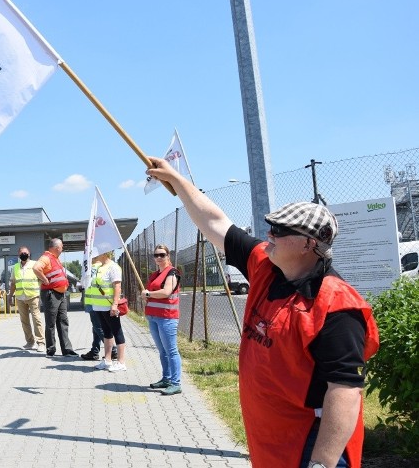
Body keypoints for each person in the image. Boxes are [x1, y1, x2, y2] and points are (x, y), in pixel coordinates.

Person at [146, 156, 379, 468]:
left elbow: (345, 391)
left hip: (309, 444)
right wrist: (176, 179)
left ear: (308, 244)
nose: (269, 235)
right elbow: (215, 222)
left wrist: (321, 463)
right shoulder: (265, 266)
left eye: (279, 230)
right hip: (271, 439)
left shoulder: (336, 306)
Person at [142, 244, 183, 395]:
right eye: (156, 255)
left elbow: (166, 292)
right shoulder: (155, 274)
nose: (159, 257)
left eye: (162, 255)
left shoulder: (172, 273)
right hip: (153, 317)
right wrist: (146, 294)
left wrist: (147, 294)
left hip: (167, 317)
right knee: (162, 351)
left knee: (171, 351)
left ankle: (176, 383)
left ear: (168, 256)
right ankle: (166, 378)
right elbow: (151, 292)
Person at [83, 251, 127, 371]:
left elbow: (117, 287)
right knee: (107, 333)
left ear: (104, 254)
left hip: (109, 306)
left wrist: (115, 304)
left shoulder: (113, 267)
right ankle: (107, 360)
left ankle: (121, 362)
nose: (94, 255)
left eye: (97, 252)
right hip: (99, 307)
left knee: (117, 332)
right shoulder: (99, 267)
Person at [33, 238, 77, 357]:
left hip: (60, 294)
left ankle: (67, 350)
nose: (62, 249)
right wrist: (44, 279)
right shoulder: (46, 257)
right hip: (51, 293)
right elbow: (36, 268)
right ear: (57, 247)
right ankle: (51, 350)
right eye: (61, 246)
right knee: (51, 322)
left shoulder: (56, 259)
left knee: (63, 321)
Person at [9, 246, 44, 352]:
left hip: (33, 296)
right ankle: (30, 342)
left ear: (29, 254)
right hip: (20, 297)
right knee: (24, 321)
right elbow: (13, 283)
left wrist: (40, 291)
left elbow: (41, 278)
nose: (23, 254)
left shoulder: (35, 264)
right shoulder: (15, 267)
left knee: (36, 319)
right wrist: (10, 295)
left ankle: (41, 342)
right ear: (18, 255)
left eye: (25, 253)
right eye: (21, 253)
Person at [81, 262, 118, 362]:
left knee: (98, 327)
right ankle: (95, 351)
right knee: (96, 327)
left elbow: (84, 282)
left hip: (94, 302)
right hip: (96, 301)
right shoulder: (98, 266)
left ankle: (113, 350)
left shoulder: (91, 267)